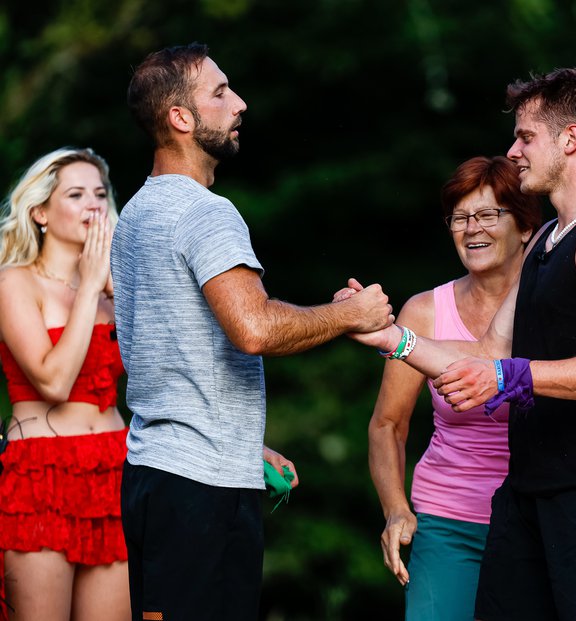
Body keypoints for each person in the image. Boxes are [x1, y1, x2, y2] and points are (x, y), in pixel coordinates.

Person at [347, 67, 576, 621]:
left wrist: (514, 377)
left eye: (526, 136)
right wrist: (393, 338)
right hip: (528, 499)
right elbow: (488, 358)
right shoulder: (545, 241)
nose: (513, 151)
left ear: (571, 139)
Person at [111, 42, 393, 621]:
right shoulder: (206, 212)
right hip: (199, 491)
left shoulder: (136, 212)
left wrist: (246, 446)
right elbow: (255, 329)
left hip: (154, 475)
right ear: (180, 118)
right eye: (219, 93)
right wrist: (351, 315)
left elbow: (168, 351)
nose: (239, 103)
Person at [367, 156, 540, 620]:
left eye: (487, 214)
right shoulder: (424, 312)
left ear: (525, 227)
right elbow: (387, 424)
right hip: (448, 521)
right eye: (460, 218)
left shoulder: (554, 308)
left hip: (538, 521)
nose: (471, 228)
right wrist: (396, 509)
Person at [0, 147, 129, 621]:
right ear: (39, 213)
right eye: (76, 194)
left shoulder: (115, 289)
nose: (94, 204)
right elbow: (53, 381)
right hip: (42, 475)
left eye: (100, 193)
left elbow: (163, 379)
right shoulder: (15, 283)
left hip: (116, 468)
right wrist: (90, 287)